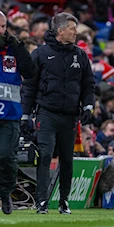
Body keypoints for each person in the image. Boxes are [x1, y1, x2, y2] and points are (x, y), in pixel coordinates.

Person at [21, 12, 95, 214]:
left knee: (67, 159)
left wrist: (88, 106)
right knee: (45, 155)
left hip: (70, 115)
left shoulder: (80, 56)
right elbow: (29, 86)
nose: (75, 33)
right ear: (61, 30)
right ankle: (42, 202)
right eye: (72, 29)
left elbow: (89, 85)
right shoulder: (40, 54)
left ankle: (64, 201)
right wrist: (25, 115)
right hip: (46, 113)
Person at [0, 11, 36, 215]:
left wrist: (19, 46)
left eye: (4, 27)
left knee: (7, 157)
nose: (1, 31)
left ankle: (5, 193)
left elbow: (31, 72)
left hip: (9, 116)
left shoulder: (14, 49)